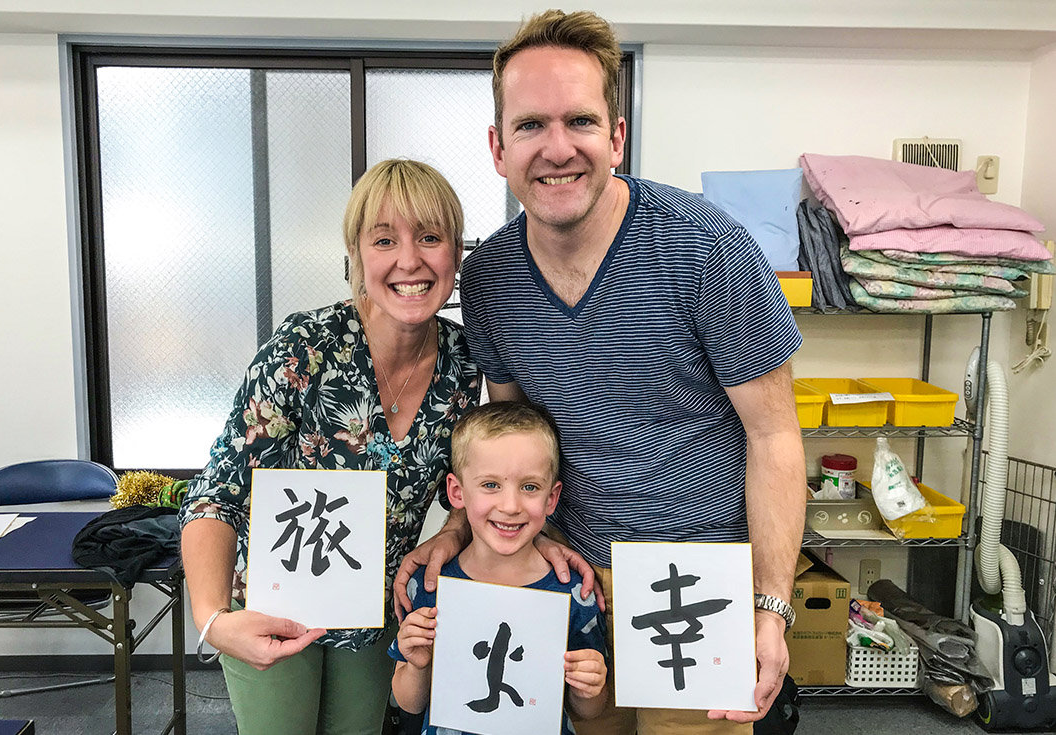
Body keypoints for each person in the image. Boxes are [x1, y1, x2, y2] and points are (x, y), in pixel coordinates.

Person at [396, 10, 806, 735]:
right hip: (569, 578)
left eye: (580, 121)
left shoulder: (707, 246)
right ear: (498, 147)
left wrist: (771, 609)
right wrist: (462, 528)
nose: (557, 148)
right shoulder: (489, 277)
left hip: (696, 583)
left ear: (616, 136)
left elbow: (774, 437)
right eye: (530, 125)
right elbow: (513, 440)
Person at [178, 158, 482, 735]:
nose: (409, 261)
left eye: (430, 237)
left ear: (456, 253)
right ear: (356, 255)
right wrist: (212, 618)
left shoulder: (464, 362)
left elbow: (472, 488)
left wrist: (449, 533)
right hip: (270, 606)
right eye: (384, 240)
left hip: (374, 611)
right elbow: (216, 494)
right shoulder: (306, 347)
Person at [390, 401, 608, 734]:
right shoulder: (431, 584)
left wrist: (588, 686)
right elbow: (409, 702)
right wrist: (418, 665)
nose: (510, 506)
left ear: (552, 498)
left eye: (530, 487)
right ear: (457, 492)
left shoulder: (575, 592)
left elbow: (589, 710)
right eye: (491, 485)